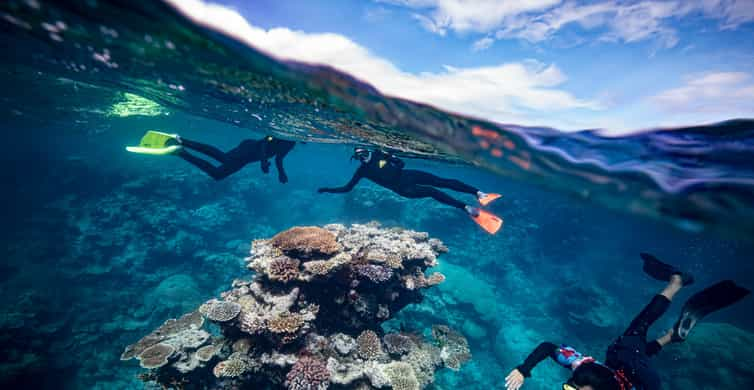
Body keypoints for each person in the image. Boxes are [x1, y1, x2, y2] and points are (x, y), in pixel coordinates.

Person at [504, 253, 750, 390]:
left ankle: (671, 337)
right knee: (639, 327)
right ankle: (676, 281)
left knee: (636, 356)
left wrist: (524, 369)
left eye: (570, 389)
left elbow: (548, 347)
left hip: (630, 369)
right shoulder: (604, 377)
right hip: (634, 368)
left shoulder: (580, 368)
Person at [317, 148, 503, 234]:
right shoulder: (362, 171)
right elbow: (347, 188)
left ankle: (478, 193)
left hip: (409, 175)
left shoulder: (378, 153)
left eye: (364, 153)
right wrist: (327, 189)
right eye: (359, 156)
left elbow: (401, 163)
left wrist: (390, 156)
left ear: (368, 151)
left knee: (441, 181)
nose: (363, 157)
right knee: (432, 191)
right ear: (356, 158)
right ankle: (466, 208)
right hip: (403, 188)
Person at [127, 131, 295, 182]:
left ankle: (180, 152)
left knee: (218, 174)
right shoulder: (284, 134)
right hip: (249, 148)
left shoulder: (292, 143)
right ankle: (181, 139)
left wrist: (281, 173)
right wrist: (264, 161)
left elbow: (279, 157)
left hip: (249, 158)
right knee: (223, 159)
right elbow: (266, 141)